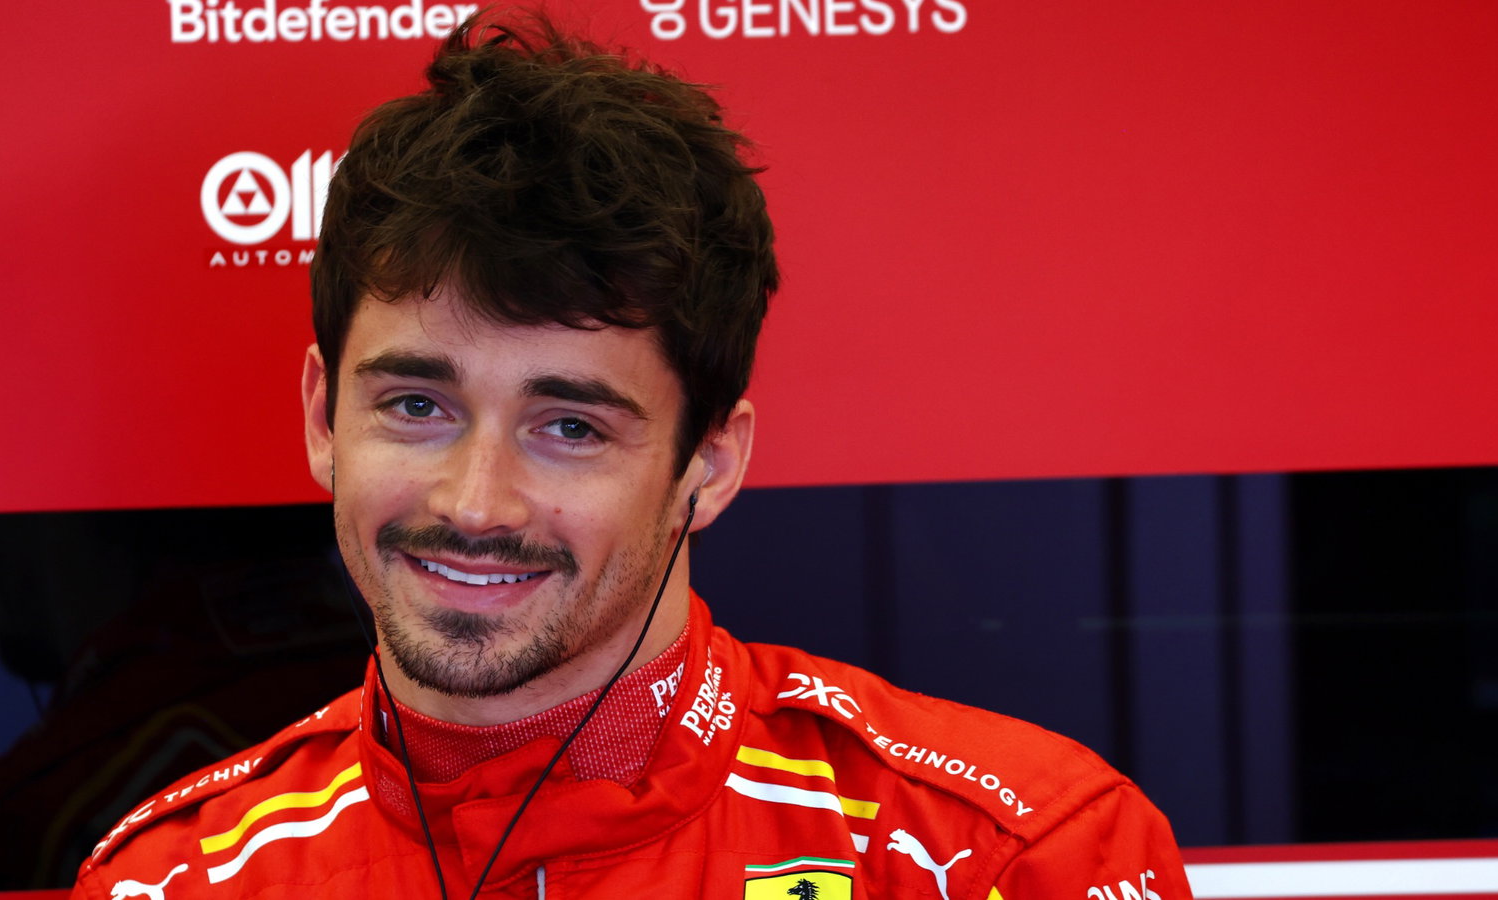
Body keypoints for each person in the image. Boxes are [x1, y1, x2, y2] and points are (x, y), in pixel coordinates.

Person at [72, 11, 1194, 899]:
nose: (476, 501)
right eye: (416, 405)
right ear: (324, 418)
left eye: (571, 427)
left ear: (709, 464)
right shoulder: (175, 882)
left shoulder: (1002, 859)